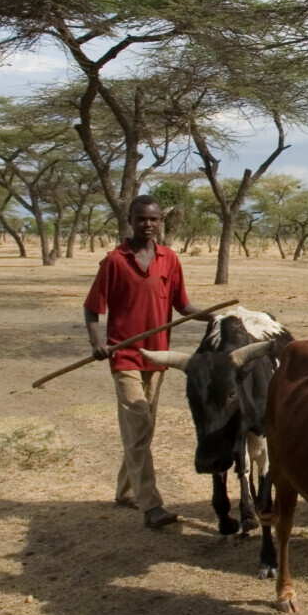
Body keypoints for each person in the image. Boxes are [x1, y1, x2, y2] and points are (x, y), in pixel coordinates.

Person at [83, 195, 203, 529]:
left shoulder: (169, 259)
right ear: (130, 220)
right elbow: (93, 308)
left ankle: (125, 490)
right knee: (139, 421)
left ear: (160, 222)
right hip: (124, 355)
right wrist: (98, 343)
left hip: (158, 355)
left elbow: (184, 306)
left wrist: (219, 318)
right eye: (141, 219)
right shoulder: (115, 261)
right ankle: (151, 506)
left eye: (153, 220)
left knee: (142, 428)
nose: (147, 225)